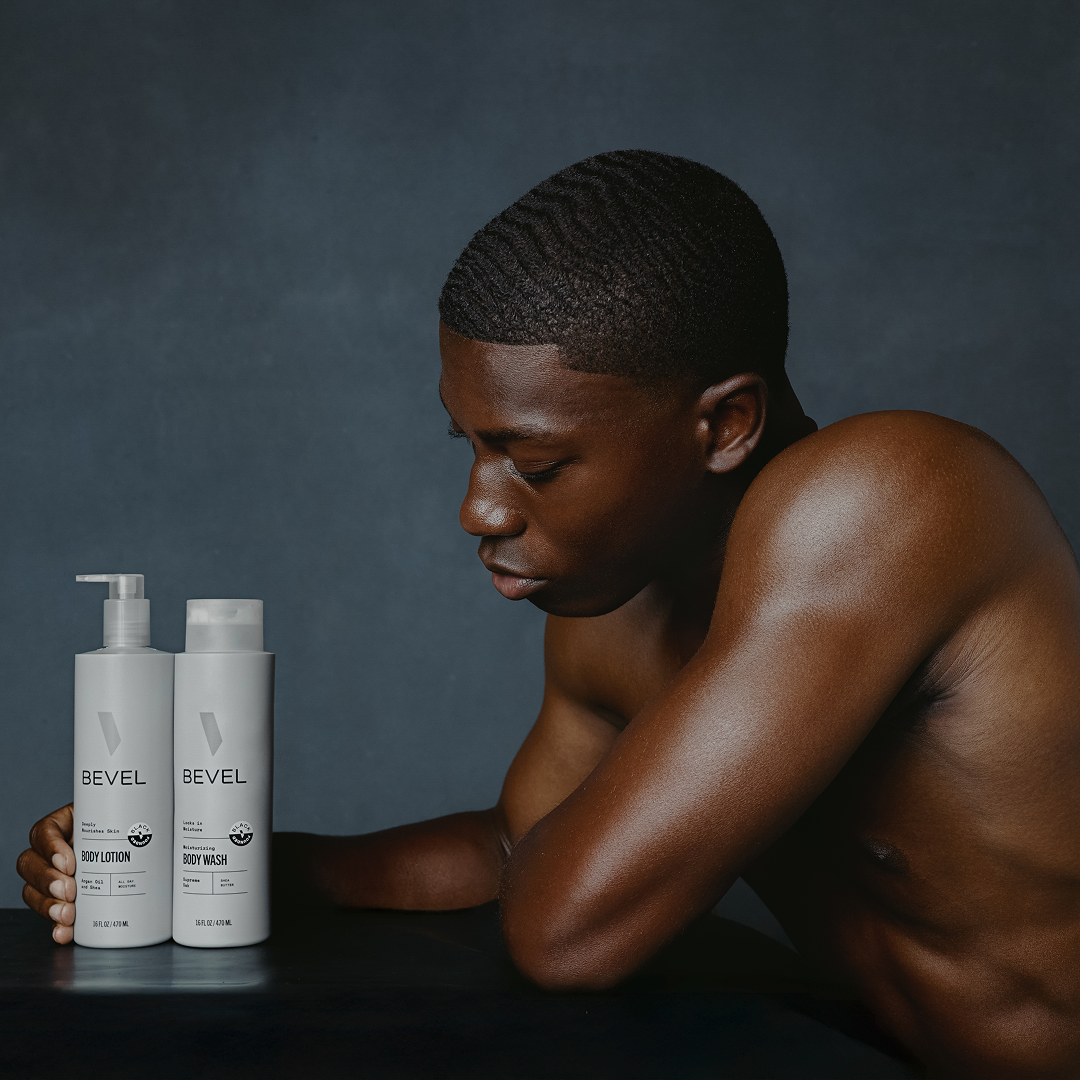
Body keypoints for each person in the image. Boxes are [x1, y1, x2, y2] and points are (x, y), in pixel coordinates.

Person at [18, 151, 1080, 1077]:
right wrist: (200, 858)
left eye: (534, 462)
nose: (479, 509)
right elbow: (519, 845)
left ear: (727, 424)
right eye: (469, 448)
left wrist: (550, 871)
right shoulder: (615, 610)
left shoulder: (886, 495)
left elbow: (569, 925)